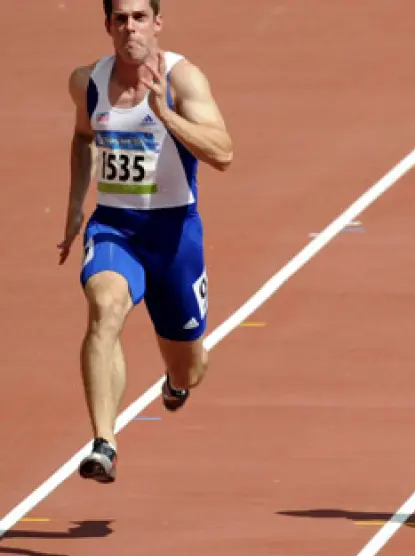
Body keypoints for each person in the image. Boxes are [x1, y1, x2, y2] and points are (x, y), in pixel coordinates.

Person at [58, 0, 233, 484]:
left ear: (157, 23)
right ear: (108, 25)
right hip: (115, 228)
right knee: (105, 309)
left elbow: (223, 153)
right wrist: (75, 205)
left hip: (174, 236)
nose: (130, 28)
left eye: (139, 18)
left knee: (189, 368)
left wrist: (165, 116)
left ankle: (176, 383)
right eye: (120, 19)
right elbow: (82, 137)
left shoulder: (183, 80)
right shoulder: (88, 82)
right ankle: (104, 443)